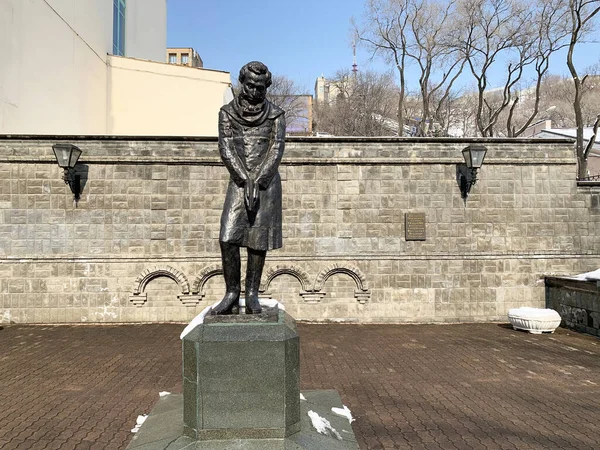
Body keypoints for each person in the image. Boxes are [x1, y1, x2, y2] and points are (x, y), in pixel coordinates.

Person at [211, 61, 286, 315]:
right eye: (250, 86)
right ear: (242, 83)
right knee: (228, 237)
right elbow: (227, 148)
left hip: (266, 185)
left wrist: (259, 179)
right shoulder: (226, 113)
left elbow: (276, 149)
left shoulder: (276, 114)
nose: (254, 92)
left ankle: (252, 293)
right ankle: (232, 292)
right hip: (239, 182)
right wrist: (245, 178)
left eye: (260, 88)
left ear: (266, 88)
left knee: (257, 241)